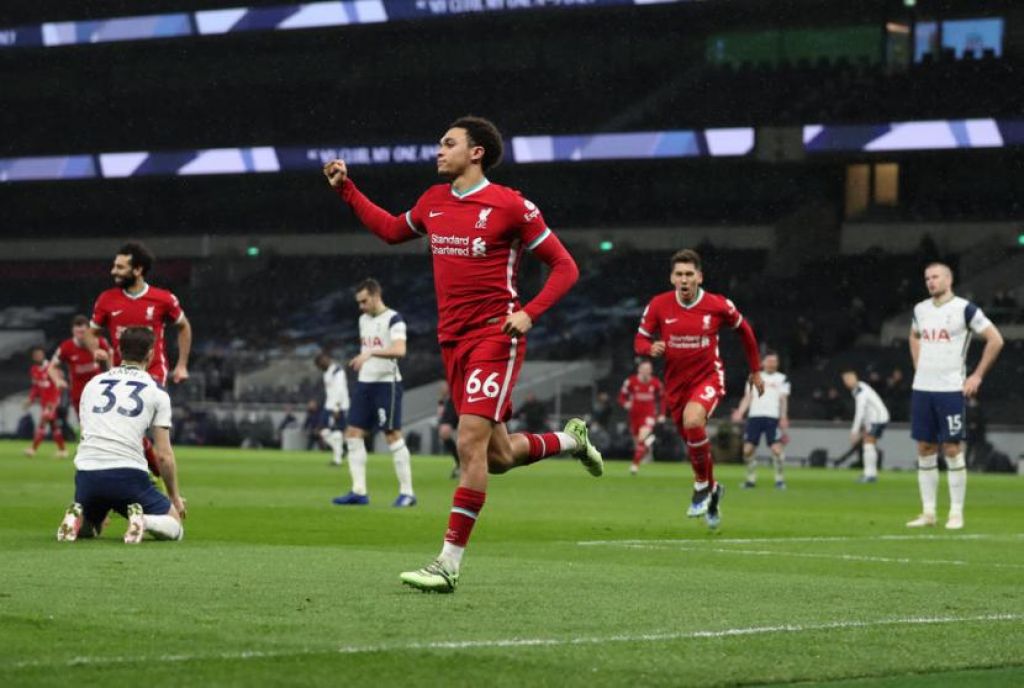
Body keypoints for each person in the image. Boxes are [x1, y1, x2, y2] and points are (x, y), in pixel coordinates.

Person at [324, 115, 602, 593]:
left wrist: (530, 313)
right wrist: (347, 189)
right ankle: (570, 440)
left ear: (476, 153)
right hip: (453, 341)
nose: (439, 150)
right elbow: (391, 230)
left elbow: (565, 265)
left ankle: (448, 563)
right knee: (497, 457)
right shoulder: (433, 202)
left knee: (468, 442)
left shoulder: (510, 204)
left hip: (496, 336)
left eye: (448, 144)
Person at [634, 249, 762, 530]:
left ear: (699, 277)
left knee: (694, 422)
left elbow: (745, 331)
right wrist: (649, 347)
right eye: (679, 274)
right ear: (671, 278)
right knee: (694, 438)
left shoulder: (717, 305)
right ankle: (714, 490)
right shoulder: (659, 305)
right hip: (676, 386)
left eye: (689, 274)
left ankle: (701, 486)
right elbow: (640, 340)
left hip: (708, 379)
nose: (684, 279)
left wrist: (755, 370)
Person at [55, 327, 186, 544]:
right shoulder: (157, 392)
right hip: (128, 475)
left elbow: (86, 434)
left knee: (93, 528)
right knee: (175, 527)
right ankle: (143, 521)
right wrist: (174, 497)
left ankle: (80, 518)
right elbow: (163, 455)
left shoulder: (93, 384)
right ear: (151, 354)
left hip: (87, 475)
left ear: (119, 350)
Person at [907, 262, 1003, 530]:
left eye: (935, 277)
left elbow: (995, 339)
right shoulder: (920, 309)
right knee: (924, 448)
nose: (930, 281)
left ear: (948, 279)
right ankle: (928, 513)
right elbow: (913, 336)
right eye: (927, 278)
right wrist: (919, 365)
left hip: (950, 389)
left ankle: (956, 513)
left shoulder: (964, 309)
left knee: (951, 448)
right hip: (922, 388)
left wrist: (977, 375)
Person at [84, 242, 192, 478]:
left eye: (121, 267)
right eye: (114, 265)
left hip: (153, 372)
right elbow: (91, 332)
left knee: (138, 429)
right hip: (118, 373)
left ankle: (154, 482)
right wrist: (95, 350)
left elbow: (184, 327)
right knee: (129, 433)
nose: (114, 271)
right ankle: (153, 480)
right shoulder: (106, 300)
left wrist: (182, 364)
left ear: (138, 270)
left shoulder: (163, 299)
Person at [331, 279, 414, 507]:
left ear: (376, 296)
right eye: (359, 302)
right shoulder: (363, 319)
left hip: (387, 384)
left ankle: (407, 493)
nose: (361, 306)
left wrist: (371, 354)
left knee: (391, 435)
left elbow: (400, 350)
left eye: (364, 301)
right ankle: (359, 491)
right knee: (353, 433)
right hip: (365, 383)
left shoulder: (394, 319)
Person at [732, 350, 789, 489]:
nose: (772, 364)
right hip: (754, 417)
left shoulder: (782, 378)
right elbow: (748, 397)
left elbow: (783, 399)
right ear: (762, 362)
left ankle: (779, 479)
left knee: (776, 449)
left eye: (774, 361)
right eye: (769, 361)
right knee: (747, 450)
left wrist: (783, 416)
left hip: (772, 417)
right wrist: (740, 412)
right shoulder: (754, 377)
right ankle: (751, 479)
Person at [48, 314, 112, 428]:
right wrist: (58, 380)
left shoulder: (100, 342)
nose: (81, 336)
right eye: (78, 332)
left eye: (84, 332)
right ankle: (86, 444)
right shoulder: (66, 347)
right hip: (79, 393)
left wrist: (111, 371)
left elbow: (110, 354)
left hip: (99, 390)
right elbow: (51, 366)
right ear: (73, 331)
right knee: (84, 423)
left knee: (101, 422)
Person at [840, 369, 890, 484]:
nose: (846, 382)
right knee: (868, 445)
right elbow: (866, 411)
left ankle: (870, 475)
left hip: (878, 418)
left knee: (868, 444)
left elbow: (860, 411)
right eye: (845, 380)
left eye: (847, 379)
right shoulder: (859, 388)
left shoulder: (860, 391)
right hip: (874, 419)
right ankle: (870, 473)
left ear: (853, 378)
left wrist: (854, 431)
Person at [617, 360, 665, 475]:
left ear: (651, 370)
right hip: (634, 416)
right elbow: (621, 398)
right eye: (644, 369)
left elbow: (663, 399)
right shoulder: (630, 382)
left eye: (648, 369)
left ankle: (634, 465)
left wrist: (662, 414)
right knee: (638, 442)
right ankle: (647, 451)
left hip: (649, 416)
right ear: (639, 369)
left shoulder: (656, 383)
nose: (646, 371)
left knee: (641, 438)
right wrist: (626, 404)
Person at [24, 346, 67, 458]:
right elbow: (36, 387)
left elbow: (60, 386)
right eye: (36, 355)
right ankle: (62, 450)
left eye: (40, 354)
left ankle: (33, 449)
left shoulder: (51, 368)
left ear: (43, 355)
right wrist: (30, 399)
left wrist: (54, 401)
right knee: (54, 426)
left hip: (52, 401)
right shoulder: (34, 369)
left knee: (42, 422)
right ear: (33, 357)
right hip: (44, 402)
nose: (38, 356)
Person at [315, 352, 350, 467]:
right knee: (324, 431)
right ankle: (340, 452)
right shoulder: (327, 373)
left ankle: (337, 459)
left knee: (336, 432)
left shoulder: (337, 371)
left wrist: (336, 408)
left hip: (338, 406)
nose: (319, 366)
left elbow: (340, 391)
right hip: (329, 405)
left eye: (320, 363)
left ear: (326, 360)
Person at [437, 382, 460, 479]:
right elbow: (446, 382)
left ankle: (476, 466)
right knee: (444, 432)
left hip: (475, 395)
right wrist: (441, 403)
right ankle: (460, 462)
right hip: (455, 400)